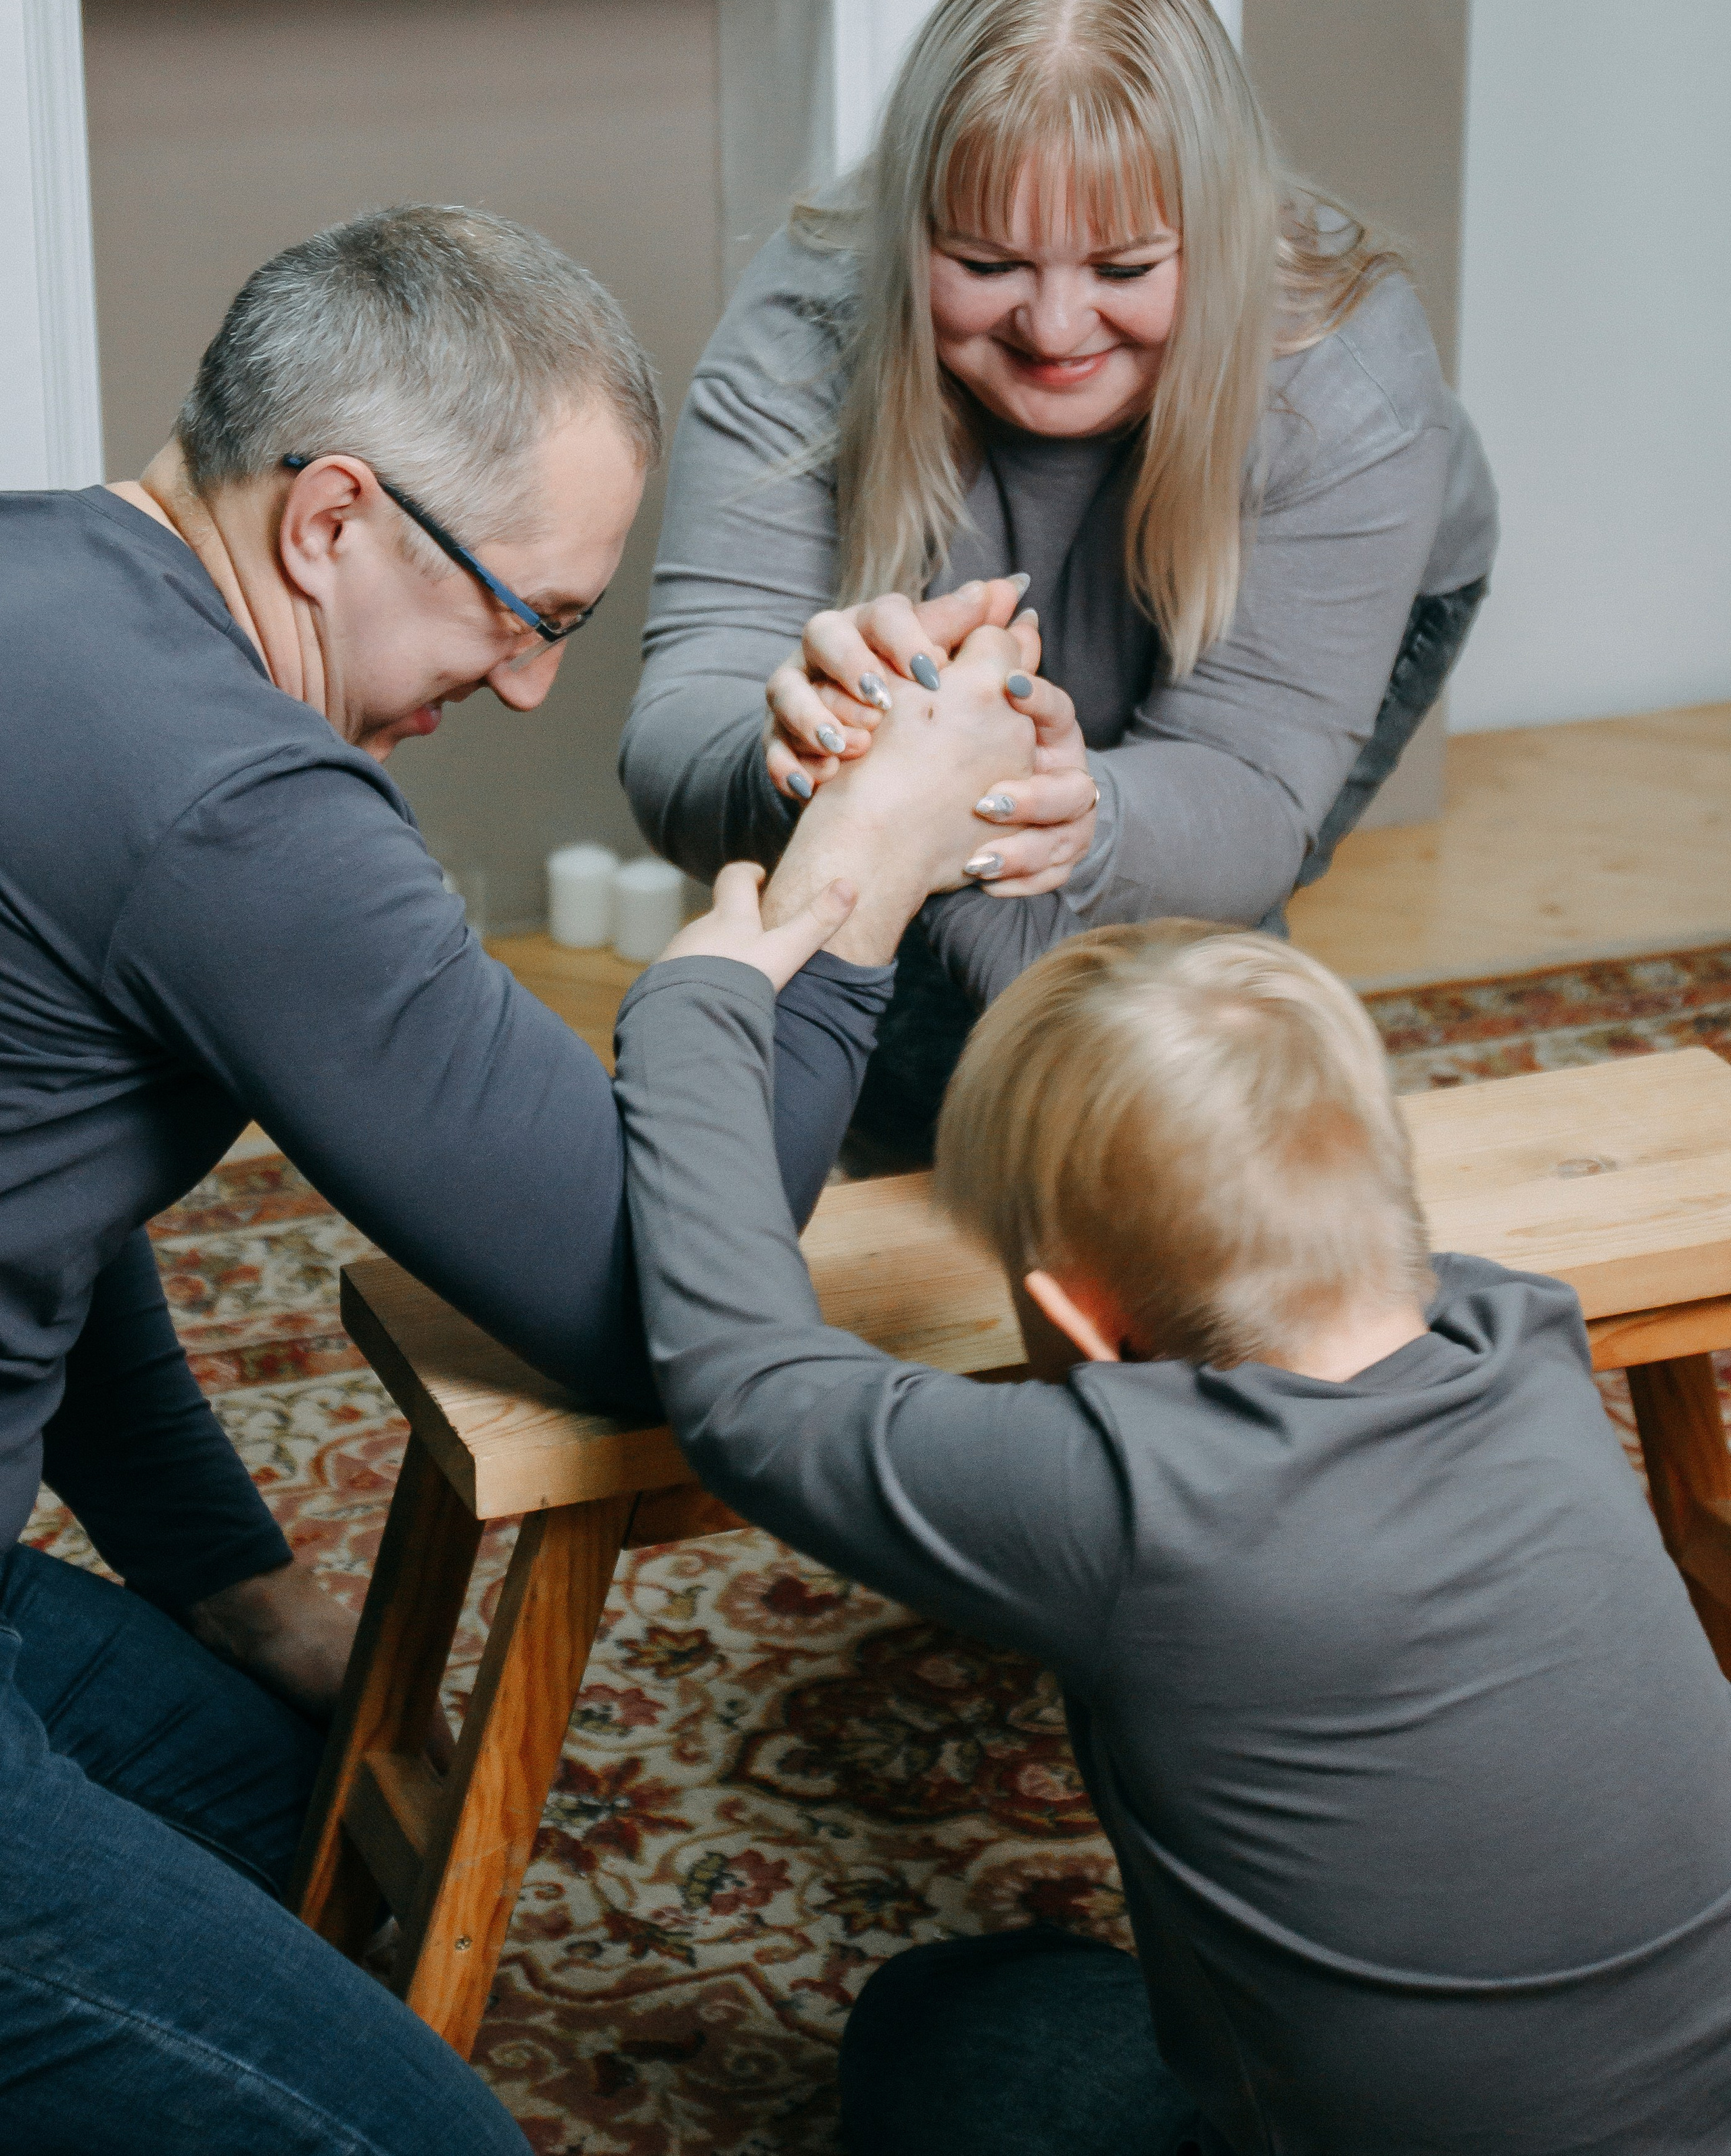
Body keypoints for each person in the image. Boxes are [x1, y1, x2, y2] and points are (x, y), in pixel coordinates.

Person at [0, 203, 1056, 2152]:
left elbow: (39, 1227)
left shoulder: (47, 577)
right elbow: (655, 1303)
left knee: (303, 1818)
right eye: (533, 611)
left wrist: (238, 1591)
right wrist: (858, 886)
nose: (528, 688)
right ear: (328, 519)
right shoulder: (231, 799)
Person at [616, 899, 1731, 2154]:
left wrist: (696, 1004)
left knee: (945, 2016)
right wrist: (1003, 912)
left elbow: (748, 1392)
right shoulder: (1526, 1335)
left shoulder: (1132, 1503)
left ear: (1080, 1320)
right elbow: (1218, 1135)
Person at [621, 0, 1499, 1166]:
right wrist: (799, 745)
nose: (1054, 325)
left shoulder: (1350, 391)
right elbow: (673, 740)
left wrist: (1078, 816)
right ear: (913, 231)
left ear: (1219, 236)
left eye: (1127, 267)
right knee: (911, 1058)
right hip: (975, 711)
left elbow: (1245, 788)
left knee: (1175, 986)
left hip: (1336, 612)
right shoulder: (809, 317)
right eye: (985, 264)